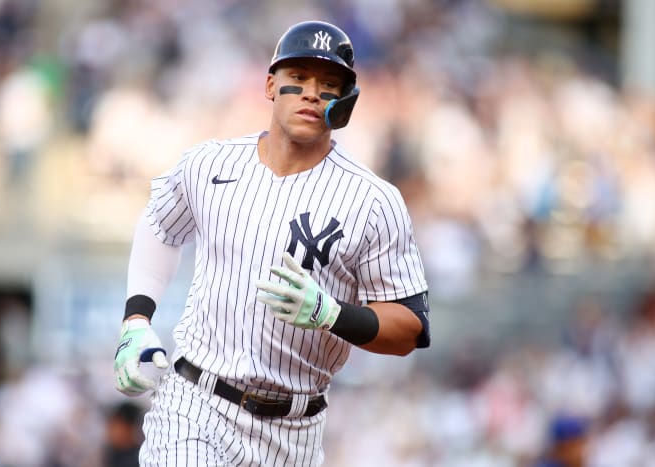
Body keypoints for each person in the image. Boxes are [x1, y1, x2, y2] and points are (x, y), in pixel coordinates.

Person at [113, 20, 430, 466]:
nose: (311, 93)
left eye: (328, 84)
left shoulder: (373, 201)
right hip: (195, 404)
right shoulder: (209, 164)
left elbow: (409, 327)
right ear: (269, 85)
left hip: (294, 430)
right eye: (297, 79)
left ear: (346, 102)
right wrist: (136, 319)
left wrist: (332, 314)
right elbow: (160, 226)